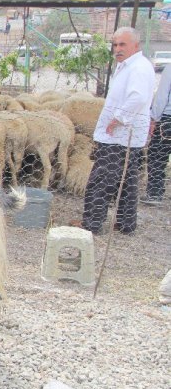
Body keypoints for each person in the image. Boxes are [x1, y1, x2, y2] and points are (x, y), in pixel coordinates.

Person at [71, 27, 155, 234]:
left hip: (120, 136)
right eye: (115, 45)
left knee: (101, 179)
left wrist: (118, 119)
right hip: (127, 137)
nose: (117, 49)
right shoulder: (129, 66)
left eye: (122, 44)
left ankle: (92, 223)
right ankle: (126, 223)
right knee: (126, 181)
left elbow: (138, 97)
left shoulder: (138, 68)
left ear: (136, 45)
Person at [141, 63, 171, 205]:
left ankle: (155, 193)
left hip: (167, 119)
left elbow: (162, 95)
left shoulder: (170, 68)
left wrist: (154, 118)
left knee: (157, 155)